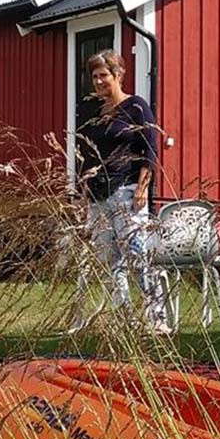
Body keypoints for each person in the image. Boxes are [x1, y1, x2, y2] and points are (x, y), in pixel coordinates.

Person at [68, 49, 169, 334]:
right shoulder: (94, 112)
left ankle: (156, 318)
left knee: (138, 256)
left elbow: (150, 150)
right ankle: (125, 318)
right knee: (111, 261)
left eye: (104, 76)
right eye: (95, 77)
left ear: (118, 75)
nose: (99, 82)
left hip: (126, 192)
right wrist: (84, 190)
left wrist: (142, 189)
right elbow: (86, 154)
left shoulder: (136, 107)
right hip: (98, 197)